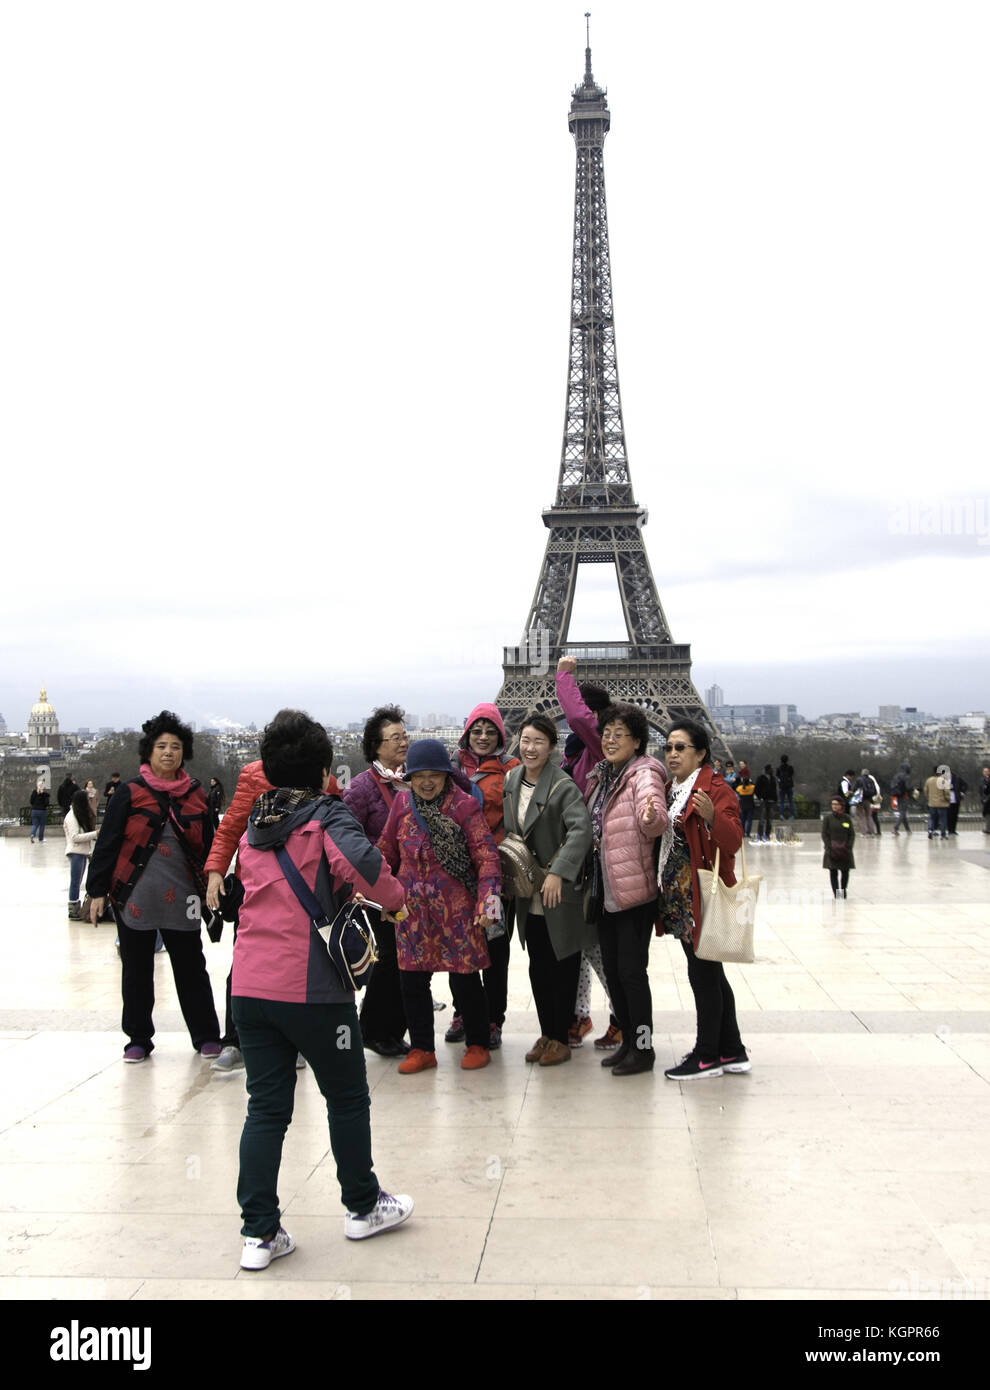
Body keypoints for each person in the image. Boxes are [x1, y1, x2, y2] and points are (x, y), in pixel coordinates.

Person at [231, 708, 412, 1267]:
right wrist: (399, 897)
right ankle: (363, 1206)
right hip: (310, 987)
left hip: (249, 986)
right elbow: (368, 871)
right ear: (322, 766)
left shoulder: (256, 824)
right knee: (347, 1098)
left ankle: (259, 1234)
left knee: (265, 1108)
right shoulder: (326, 816)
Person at [86, 710, 222, 1063]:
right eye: (161, 746)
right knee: (136, 971)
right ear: (149, 751)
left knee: (192, 969)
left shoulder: (195, 794)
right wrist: (97, 891)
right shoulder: (130, 792)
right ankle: (138, 1039)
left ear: (184, 752)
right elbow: (108, 843)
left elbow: (210, 845)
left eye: (175, 747)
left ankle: (206, 1035)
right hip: (136, 895)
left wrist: (214, 880)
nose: (168, 752)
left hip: (185, 898)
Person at [377, 740, 501, 1074]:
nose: (427, 782)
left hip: (457, 910)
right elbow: (385, 852)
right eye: (420, 776)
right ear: (410, 777)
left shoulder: (464, 807)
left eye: (435, 775)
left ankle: (477, 1042)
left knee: (465, 981)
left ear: (447, 776)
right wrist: (378, 895)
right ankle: (421, 1048)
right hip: (412, 911)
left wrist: (488, 903)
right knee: (412, 983)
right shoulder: (402, 804)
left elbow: (486, 855)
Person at [657, 720, 748, 1081]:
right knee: (711, 972)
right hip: (680, 896)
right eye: (668, 747)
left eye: (681, 747)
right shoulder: (671, 788)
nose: (673, 753)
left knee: (703, 974)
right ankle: (732, 1049)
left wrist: (711, 818)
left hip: (700, 896)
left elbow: (733, 841)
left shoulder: (715, 789)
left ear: (701, 753)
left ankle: (708, 1054)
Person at [503, 713, 595, 1067]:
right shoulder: (512, 779)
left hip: (557, 891)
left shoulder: (563, 786)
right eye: (525, 740)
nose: (530, 748)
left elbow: (581, 831)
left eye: (539, 742)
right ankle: (548, 1032)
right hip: (529, 889)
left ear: (552, 748)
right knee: (538, 965)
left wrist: (558, 872)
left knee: (563, 964)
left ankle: (561, 1036)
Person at [584, 703, 669, 1077]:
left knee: (632, 973)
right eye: (606, 733)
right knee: (617, 973)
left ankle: (644, 1048)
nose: (610, 739)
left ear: (638, 741)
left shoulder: (644, 773)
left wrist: (652, 819)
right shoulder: (604, 775)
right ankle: (630, 1043)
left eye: (620, 734)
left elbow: (654, 818)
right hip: (605, 890)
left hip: (633, 892)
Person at [555, 656, 623, 1051]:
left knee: (595, 948)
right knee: (579, 947)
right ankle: (579, 1015)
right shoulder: (576, 753)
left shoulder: (598, 744)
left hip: (598, 863)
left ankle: (622, 1016)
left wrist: (563, 675)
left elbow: (580, 718)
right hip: (577, 861)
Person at [342, 705, 412, 1058]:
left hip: (412, 885)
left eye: (404, 735)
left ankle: (391, 1029)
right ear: (376, 745)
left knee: (405, 958)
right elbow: (348, 840)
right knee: (390, 957)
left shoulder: (414, 779)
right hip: (378, 888)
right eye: (395, 737)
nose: (403, 742)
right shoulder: (360, 788)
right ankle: (373, 1028)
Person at [453, 703, 521, 1050]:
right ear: (467, 733)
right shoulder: (450, 768)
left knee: (495, 947)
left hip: (495, 872)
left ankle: (493, 1018)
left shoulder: (513, 769)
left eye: (489, 731)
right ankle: (463, 1011)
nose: (482, 737)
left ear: (500, 736)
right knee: (458, 945)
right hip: (456, 873)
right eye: (476, 731)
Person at [64, 789, 99, 919]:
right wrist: (94, 834)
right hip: (75, 852)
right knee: (75, 881)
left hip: (82, 852)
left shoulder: (79, 814)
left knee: (78, 881)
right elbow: (75, 837)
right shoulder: (72, 816)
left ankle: (75, 907)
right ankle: (73, 908)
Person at [822, 794, 855, 898]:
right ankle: (837, 893)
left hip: (845, 849)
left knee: (845, 871)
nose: (834, 806)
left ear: (841, 805)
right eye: (833, 804)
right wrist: (828, 846)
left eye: (836, 804)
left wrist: (849, 846)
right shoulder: (828, 818)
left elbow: (852, 833)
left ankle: (844, 890)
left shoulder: (846, 818)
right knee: (833, 872)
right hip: (832, 849)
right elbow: (824, 834)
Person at [924, 766, 950, 839]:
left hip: (932, 803)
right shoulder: (943, 780)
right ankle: (943, 834)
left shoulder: (929, 780)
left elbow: (926, 791)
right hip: (942, 803)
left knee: (931, 817)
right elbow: (947, 792)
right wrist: (948, 799)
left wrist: (929, 798)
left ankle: (930, 830)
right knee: (943, 819)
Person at [889, 762, 914, 836]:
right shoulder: (906, 776)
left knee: (902, 813)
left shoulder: (896, 776)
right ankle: (895, 828)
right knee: (902, 813)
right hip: (904, 795)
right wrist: (912, 791)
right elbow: (908, 787)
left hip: (897, 795)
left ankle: (908, 829)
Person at [755, 765, 776, 842]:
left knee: (770, 819)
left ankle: (767, 835)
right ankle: (759, 835)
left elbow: (774, 789)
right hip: (763, 800)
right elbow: (756, 789)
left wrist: (775, 799)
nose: (772, 770)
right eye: (771, 769)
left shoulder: (773, 778)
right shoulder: (760, 778)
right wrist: (760, 797)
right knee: (762, 819)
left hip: (771, 801)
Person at [735, 765, 755, 839]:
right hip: (750, 805)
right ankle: (748, 833)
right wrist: (750, 781)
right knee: (749, 820)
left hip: (742, 805)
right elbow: (753, 784)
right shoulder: (752, 788)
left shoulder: (740, 788)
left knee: (742, 820)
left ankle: (742, 833)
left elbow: (736, 790)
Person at [947, 770, 968, 836]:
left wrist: (962, 792)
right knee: (949, 816)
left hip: (956, 800)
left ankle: (953, 830)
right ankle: (950, 830)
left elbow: (965, 785)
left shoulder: (957, 778)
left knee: (955, 816)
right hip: (947, 801)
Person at [776, 755, 795, 820]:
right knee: (791, 801)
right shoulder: (790, 767)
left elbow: (777, 777)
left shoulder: (779, 768)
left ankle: (781, 815)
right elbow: (792, 774)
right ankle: (792, 815)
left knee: (781, 802)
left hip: (782, 787)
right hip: (789, 786)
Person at [980, 764, 990, 835]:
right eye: (984, 771)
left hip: (988, 800)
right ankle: (987, 828)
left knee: (987, 813)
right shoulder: (982, 780)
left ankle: (988, 829)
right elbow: (980, 790)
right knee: (987, 814)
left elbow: (986, 790)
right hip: (985, 799)